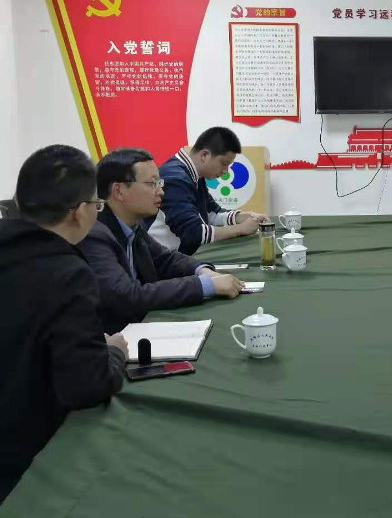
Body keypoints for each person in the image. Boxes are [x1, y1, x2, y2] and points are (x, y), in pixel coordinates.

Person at [0, 145, 128, 503]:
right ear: (79, 211)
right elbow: (86, 386)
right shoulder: (67, 273)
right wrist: (114, 353)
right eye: (96, 205)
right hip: (25, 470)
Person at [78, 148, 245, 334]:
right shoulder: (94, 234)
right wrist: (205, 285)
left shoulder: (134, 223)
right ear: (119, 191)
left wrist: (205, 272)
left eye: (160, 183)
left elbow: (165, 259)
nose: (161, 192)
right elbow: (127, 295)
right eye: (152, 184)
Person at [148, 127, 267, 255]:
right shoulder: (175, 179)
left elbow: (211, 213)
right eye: (224, 163)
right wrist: (240, 229)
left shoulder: (194, 173)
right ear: (204, 155)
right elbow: (192, 233)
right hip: (163, 258)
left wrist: (242, 216)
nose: (226, 171)